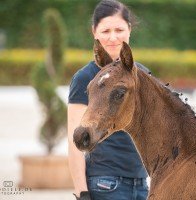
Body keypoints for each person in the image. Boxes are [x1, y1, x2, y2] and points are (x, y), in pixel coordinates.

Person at [67, 0, 151, 199]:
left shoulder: (143, 74)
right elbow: (74, 140)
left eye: (119, 29)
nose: (113, 37)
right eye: (105, 31)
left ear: (129, 30)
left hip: (143, 184)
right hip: (105, 184)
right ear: (94, 32)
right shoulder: (84, 78)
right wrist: (81, 192)